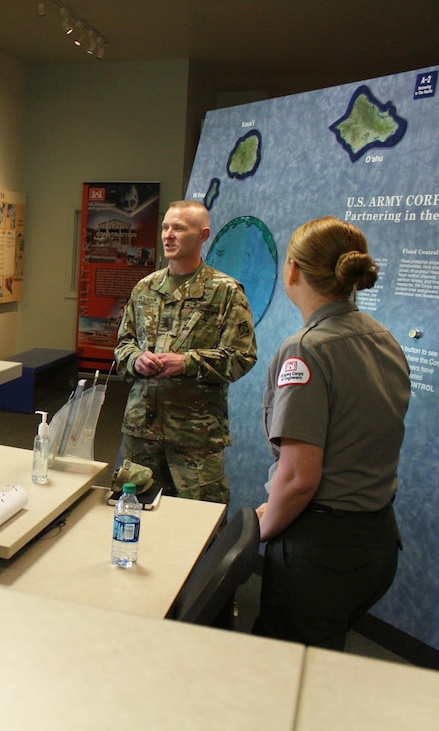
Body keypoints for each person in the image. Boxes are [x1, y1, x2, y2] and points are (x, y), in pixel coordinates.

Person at [253, 217, 409, 650]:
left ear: (294, 270)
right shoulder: (383, 338)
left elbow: (300, 477)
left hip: (320, 554)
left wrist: (257, 533)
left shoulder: (305, 348)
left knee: (284, 679)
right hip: (375, 544)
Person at [113, 200, 257, 504]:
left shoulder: (225, 292)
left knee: (199, 524)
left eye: (179, 228)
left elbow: (241, 357)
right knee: (135, 513)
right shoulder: (145, 288)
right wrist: (136, 359)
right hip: (142, 431)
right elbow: (123, 345)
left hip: (195, 436)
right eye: (166, 227)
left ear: (203, 235)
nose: (168, 235)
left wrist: (188, 363)